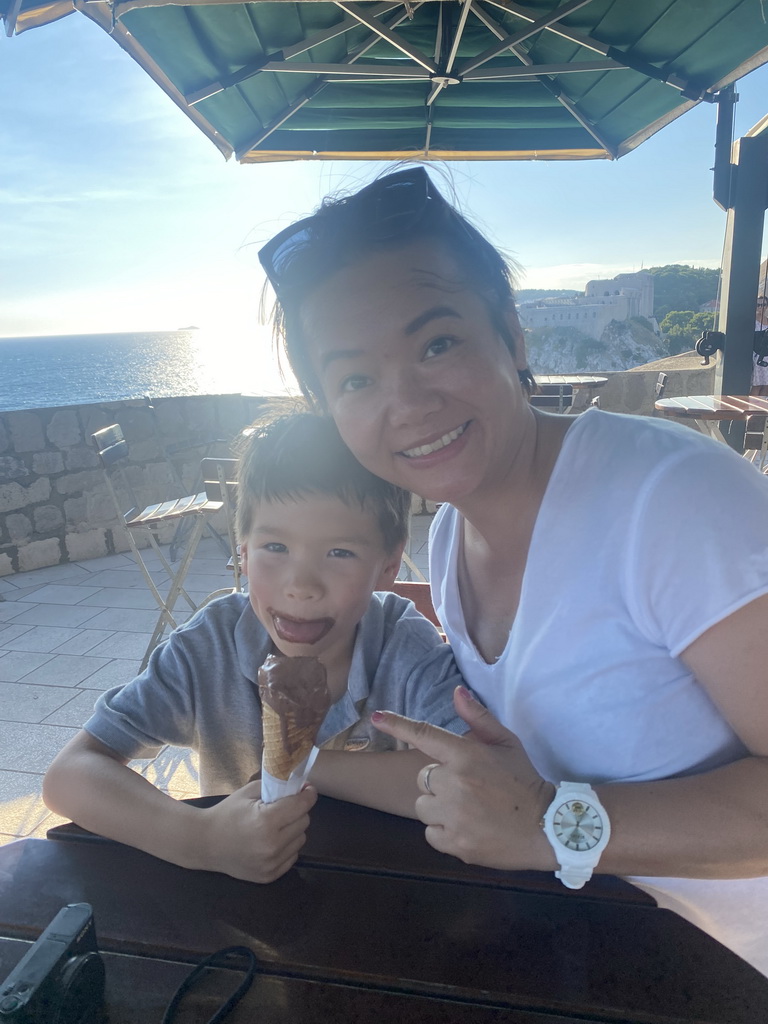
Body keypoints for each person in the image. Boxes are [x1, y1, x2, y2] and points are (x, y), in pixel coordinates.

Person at [258, 166, 768, 976]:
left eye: (437, 342)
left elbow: (536, 814)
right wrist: (296, 768)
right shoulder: (453, 537)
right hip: (577, 954)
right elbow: (494, 788)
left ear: (512, 336)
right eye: (354, 378)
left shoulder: (671, 499)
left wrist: (553, 825)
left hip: (726, 975)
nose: (408, 402)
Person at [43, 411, 468, 884]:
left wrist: (305, 764)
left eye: (340, 552)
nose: (301, 586)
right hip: (239, 897)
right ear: (242, 552)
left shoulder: (403, 645)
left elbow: (471, 780)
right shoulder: (209, 648)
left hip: (383, 891)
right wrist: (198, 839)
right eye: (275, 548)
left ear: (389, 565)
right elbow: (70, 775)